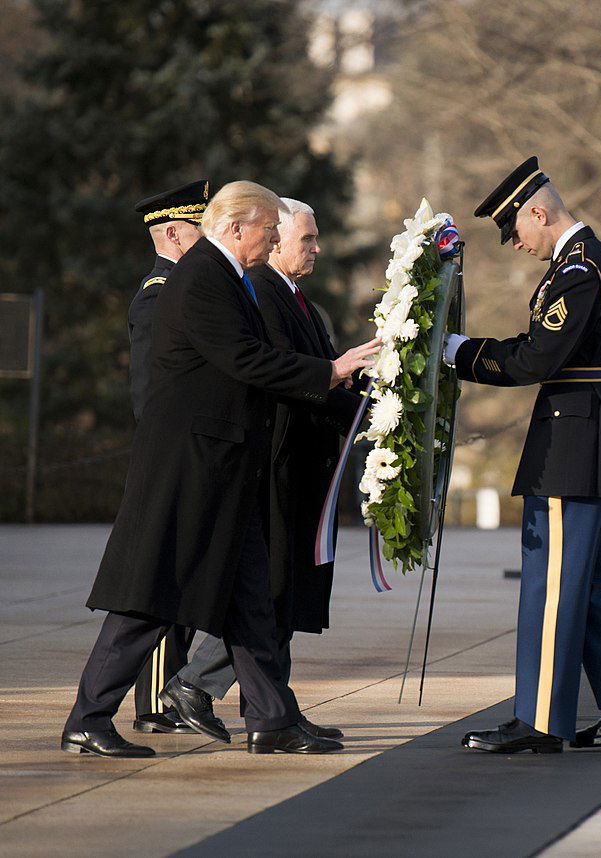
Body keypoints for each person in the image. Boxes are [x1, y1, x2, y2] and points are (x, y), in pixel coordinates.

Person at [61, 181, 380, 758]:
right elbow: (245, 359)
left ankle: (271, 718)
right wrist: (329, 372)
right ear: (236, 228)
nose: (276, 239)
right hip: (191, 468)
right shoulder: (204, 276)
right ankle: (88, 718)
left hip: (226, 468)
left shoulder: (227, 276)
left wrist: (342, 389)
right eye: (269, 229)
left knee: (252, 598)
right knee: (148, 600)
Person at [446, 156, 601, 754]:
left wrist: (458, 353)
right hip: (583, 434)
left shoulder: (579, 269)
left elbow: (536, 359)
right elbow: (539, 348)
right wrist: (465, 350)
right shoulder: (578, 264)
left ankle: (540, 721)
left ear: (539, 213)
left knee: (554, 587)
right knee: (583, 585)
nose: (517, 243)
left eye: (516, 229)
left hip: (574, 442)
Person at [165, 198, 360, 740]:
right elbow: (290, 376)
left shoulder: (296, 297)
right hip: (276, 463)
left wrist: (371, 403)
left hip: (300, 465)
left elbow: (325, 375)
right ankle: (201, 686)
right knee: (268, 592)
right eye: (305, 238)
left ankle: (275, 712)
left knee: (281, 592)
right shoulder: (265, 291)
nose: (314, 248)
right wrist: (357, 404)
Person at [126, 180, 208, 736]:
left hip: (186, 452)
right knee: (168, 583)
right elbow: (153, 393)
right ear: (175, 234)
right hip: (171, 455)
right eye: (202, 229)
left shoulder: (183, 290)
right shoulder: (160, 295)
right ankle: (156, 701)